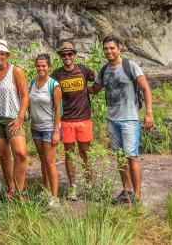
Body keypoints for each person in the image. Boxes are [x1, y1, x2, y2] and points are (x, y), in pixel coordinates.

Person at [91, 35, 154, 204]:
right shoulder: (104, 70)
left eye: (112, 48)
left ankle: (137, 196)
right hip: (112, 120)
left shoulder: (130, 66)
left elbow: (146, 88)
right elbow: (94, 89)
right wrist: (78, 80)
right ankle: (126, 191)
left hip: (130, 120)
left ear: (119, 49)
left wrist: (149, 113)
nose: (109, 51)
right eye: (106, 48)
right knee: (120, 157)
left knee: (131, 156)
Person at [53, 41, 96, 201]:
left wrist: (91, 90)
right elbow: (50, 92)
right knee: (69, 155)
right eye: (64, 55)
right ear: (60, 57)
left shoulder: (83, 70)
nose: (67, 57)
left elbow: (98, 80)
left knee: (85, 153)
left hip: (84, 119)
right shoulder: (56, 74)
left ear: (74, 55)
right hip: (67, 120)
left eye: (70, 54)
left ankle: (90, 185)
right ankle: (73, 188)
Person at [0, 40, 29, 197]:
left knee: (21, 153)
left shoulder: (16, 71)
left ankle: (20, 189)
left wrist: (20, 117)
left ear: (7, 55)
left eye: (2, 53)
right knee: (4, 156)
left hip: (13, 118)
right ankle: (10, 189)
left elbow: (24, 96)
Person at [29, 54, 62, 207]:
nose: (41, 68)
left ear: (49, 67)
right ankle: (46, 190)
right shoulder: (32, 83)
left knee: (50, 162)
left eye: (44, 66)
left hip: (49, 128)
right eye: (39, 66)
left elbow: (57, 110)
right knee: (42, 161)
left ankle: (55, 197)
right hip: (35, 127)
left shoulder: (53, 85)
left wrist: (56, 131)